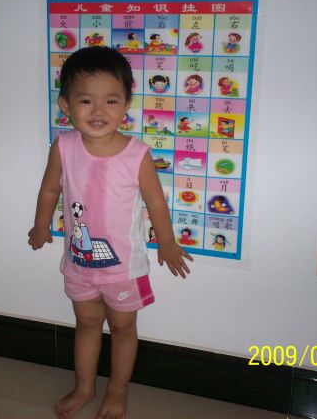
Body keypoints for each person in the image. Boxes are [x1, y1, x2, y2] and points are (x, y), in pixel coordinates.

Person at [28, 46, 193, 419]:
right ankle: (85, 386)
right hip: (79, 263)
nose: (98, 111)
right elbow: (49, 190)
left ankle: (118, 390)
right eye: (86, 100)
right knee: (86, 323)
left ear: (126, 105)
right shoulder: (63, 147)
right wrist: (41, 225)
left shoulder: (137, 155)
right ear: (66, 105)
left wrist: (167, 243)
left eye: (111, 101)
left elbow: (156, 203)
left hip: (124, 269)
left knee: (122, 327)